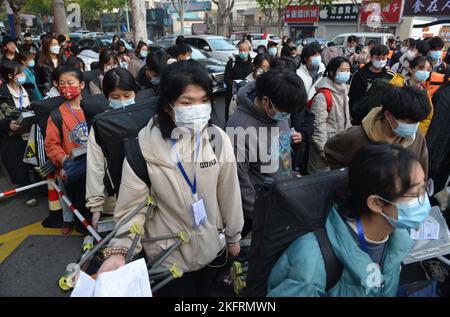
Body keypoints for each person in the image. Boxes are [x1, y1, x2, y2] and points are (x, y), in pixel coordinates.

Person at [96, 60, 244, 297]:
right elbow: (130, 212)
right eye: (187, 102)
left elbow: (229, 194)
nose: (198, 108)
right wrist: (120, 252)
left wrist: (233, 237)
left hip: (213, 252)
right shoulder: (141, 149)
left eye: (204, 100)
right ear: (167, 105)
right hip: (168, 261)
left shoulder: (218, 140)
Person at [268, 143, 431, 297]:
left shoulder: (396, 238)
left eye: (424, 187)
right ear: (376, 203)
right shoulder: (313, 261)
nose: (424, 199)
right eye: (415, 193)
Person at [226, 69, 307, 236]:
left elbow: (282, 151)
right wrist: (261, 217)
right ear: (265, 101)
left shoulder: (280, 112)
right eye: (284, 111)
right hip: (258, 213)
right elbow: (240, 182)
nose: (287, 116)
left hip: (281, 199)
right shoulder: (240, 128)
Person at [325, 85, 431, 177]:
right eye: (408, 122)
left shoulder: (417, 138)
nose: (413, 127)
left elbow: (422, 171)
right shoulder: (355, 136)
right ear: (388, 115)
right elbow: (331, 152)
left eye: (416, 122)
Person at [86, 68, 140, 228]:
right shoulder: (102, 124)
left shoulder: (146, 116)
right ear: (107, 97)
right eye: (115, 97)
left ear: (135, 93)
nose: (122, 101)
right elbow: (95, 165)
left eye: (127, 95)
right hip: (118, 198)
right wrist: (95, 206)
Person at [44, 66, 91, 235]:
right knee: (71, 200)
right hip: (71, 168)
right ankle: (69, 220)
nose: (66, 87)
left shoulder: (92, 107)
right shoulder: (57, 115)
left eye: (70, 83)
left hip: (94, 164)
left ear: (82, 84)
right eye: (62, 84)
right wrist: (64, 161)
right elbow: (51, 145)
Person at [0, 61, 38, 206]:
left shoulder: (29, 89)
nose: (23, 76)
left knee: (36, 163)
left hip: (32, 132)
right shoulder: (2, 94)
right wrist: (8, 125)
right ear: (10, 76)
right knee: (18, 167)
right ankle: (28, 192)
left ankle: (39, 188)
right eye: (20, 73)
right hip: (12, 137)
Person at [308, 56, 352, 174]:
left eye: (348, 70)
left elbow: (347, 122)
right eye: (342, 70)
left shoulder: (344, 92)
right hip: (324, 154)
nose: (346, 73)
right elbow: (318, 128)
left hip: (339, 152)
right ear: (332, 72)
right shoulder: (323, 96)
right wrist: (325, 153)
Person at [390, 56, 434, 135]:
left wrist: (417, 133)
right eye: (421, 68)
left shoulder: (425, 93)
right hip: (391, 131)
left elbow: (427, 118)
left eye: (428, 70)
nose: (425, 72)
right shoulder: (397, 85)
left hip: (413, 134)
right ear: (410, 69)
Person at [348, 45, 391, 124]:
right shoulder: (359, 75)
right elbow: (352, 96)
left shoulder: (390, 75)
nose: (381, 61)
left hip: (381, 119)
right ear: (371, 58)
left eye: (383, 58)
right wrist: (352, 114)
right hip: (361, 117)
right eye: (377, 58)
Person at [228, 53, 271, 117]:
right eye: (262, 67)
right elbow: (232, 111)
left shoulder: (271, 84)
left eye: (268, 68)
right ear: (253, 66)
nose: (265, 71)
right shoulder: (242, 86)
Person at [224, 40, 253, 122]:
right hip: (232, 94)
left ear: (249, 50)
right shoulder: (232, 62)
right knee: (230, 116)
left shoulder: (253, 63)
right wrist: (235, 88)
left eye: (245, 50)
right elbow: (227, 78)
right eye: (240, 50)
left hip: (248, 95)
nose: (242, 52)